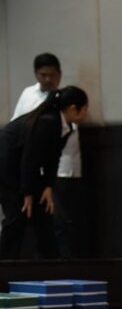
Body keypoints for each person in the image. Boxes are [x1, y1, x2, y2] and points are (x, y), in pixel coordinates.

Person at [11, 53, 87, 258]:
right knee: (45, 221)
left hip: (63, 169)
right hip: (33, 170)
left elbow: (63, 142)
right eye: (43, 75)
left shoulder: (67, 99)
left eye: (52, 75)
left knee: (65, 221)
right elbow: (23, 140)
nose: (47, 79)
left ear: (59, 75)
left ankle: (61, 262)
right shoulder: (30, 97)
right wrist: (28, 186)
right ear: (35, 74)